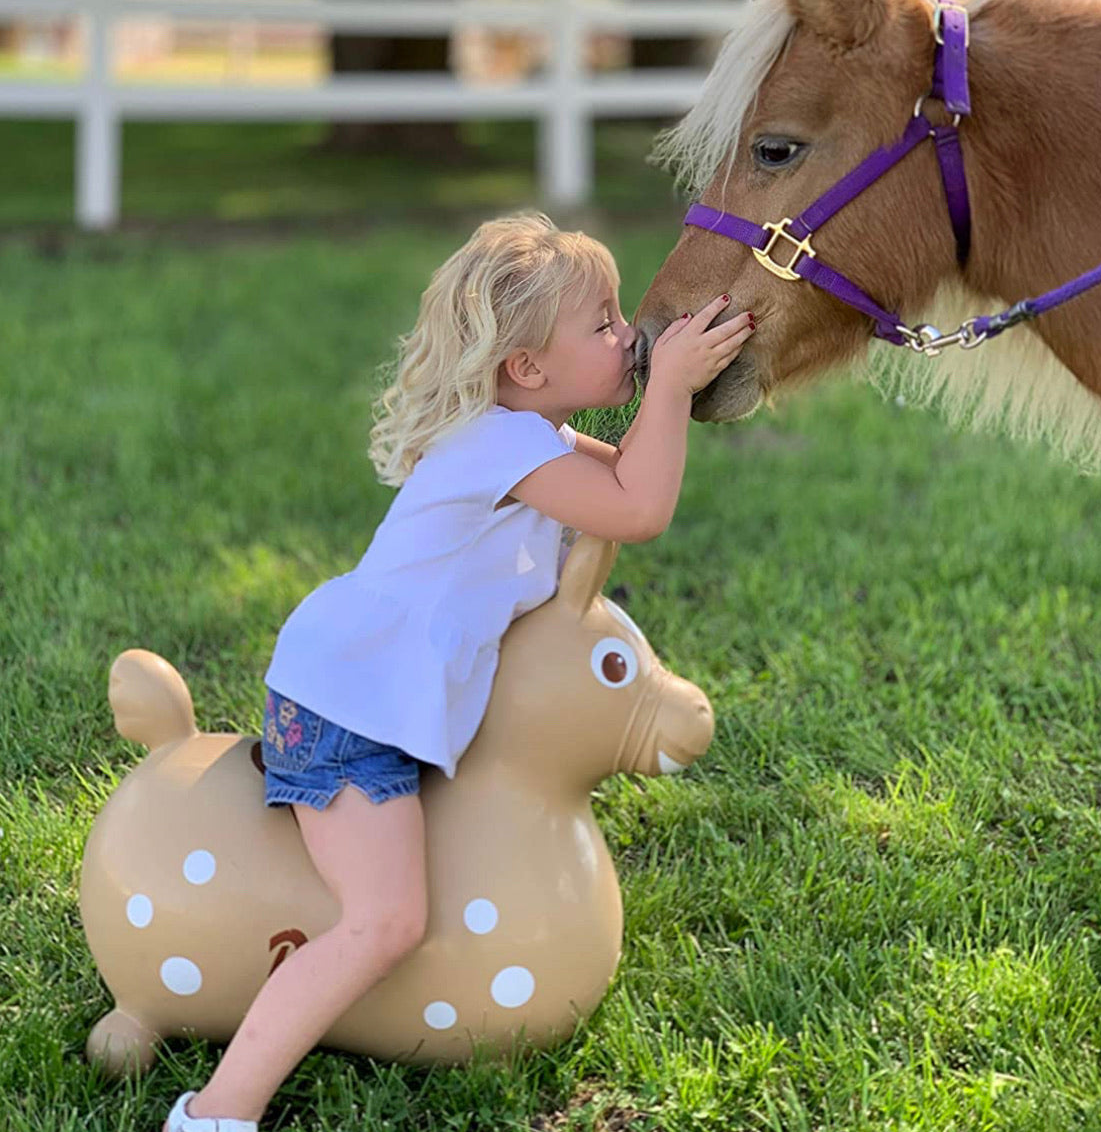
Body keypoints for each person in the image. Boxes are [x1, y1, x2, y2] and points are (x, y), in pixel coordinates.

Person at [163, 211, 754, 1132]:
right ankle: (214, 1113)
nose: (627, 336)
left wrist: (668, 380)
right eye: (602, 325)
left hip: (363, 692)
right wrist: (669, 385)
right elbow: (635, 510)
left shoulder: (527, 436)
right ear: (527, 368)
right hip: (345, 714)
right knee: (384, 921)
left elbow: (625, 482)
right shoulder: (503, 446)